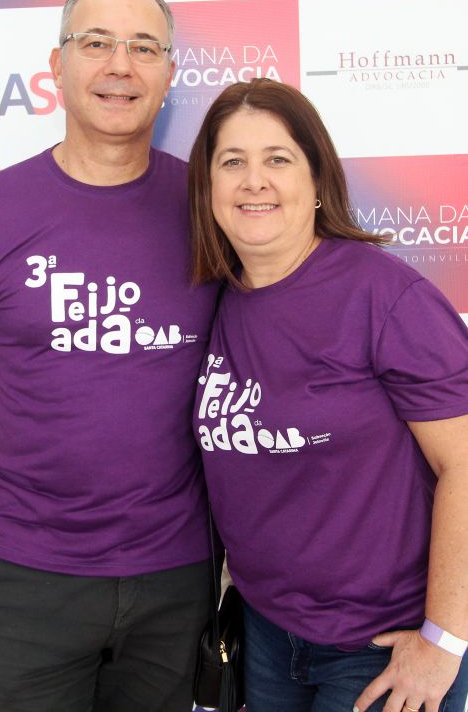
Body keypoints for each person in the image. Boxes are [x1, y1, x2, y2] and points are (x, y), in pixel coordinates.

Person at [0, 0, 219, 712]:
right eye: (96, 43)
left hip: (177, 578)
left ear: (169, 74)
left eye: (144, 48)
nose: (120, 65)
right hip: (27, 580)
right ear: (56, 66)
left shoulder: (214, 210)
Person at [188, 78, 468, 712]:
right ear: (207, 188)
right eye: (232, 162)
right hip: (265, 635)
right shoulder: (218, 300)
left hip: (382, 646)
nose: (254, 181)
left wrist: (444, 642)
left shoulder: (384, 296)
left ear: (317, 180)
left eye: (278, 159)